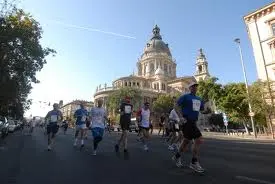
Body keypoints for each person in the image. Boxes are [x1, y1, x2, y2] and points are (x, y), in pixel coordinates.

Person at [172, 81, 205, 173]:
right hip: (187, 121)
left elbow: (202, 110)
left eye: (196, 86)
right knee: (199, 139)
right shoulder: (185, 97)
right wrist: (180, 117)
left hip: (194, 122)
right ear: (189, 88)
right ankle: (194, 162)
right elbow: (176, 105)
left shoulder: (199, 99)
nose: (195, 88)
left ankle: (177, 156)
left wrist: (207, 110)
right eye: (193, 86)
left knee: (186, 141)